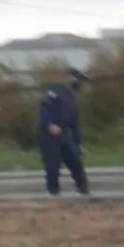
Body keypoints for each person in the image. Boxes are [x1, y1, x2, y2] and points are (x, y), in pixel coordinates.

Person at [38, 68, 90, 196]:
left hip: (64, 133)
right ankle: (53, 192)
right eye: (78, 80)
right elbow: (44, 107)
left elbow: (74, 123)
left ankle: (83, 188)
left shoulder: (72, 98)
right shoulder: (56, 91)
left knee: (75, 162)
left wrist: (78, 143)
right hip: (49, 134)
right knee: (53, 165)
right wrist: (49, 124)